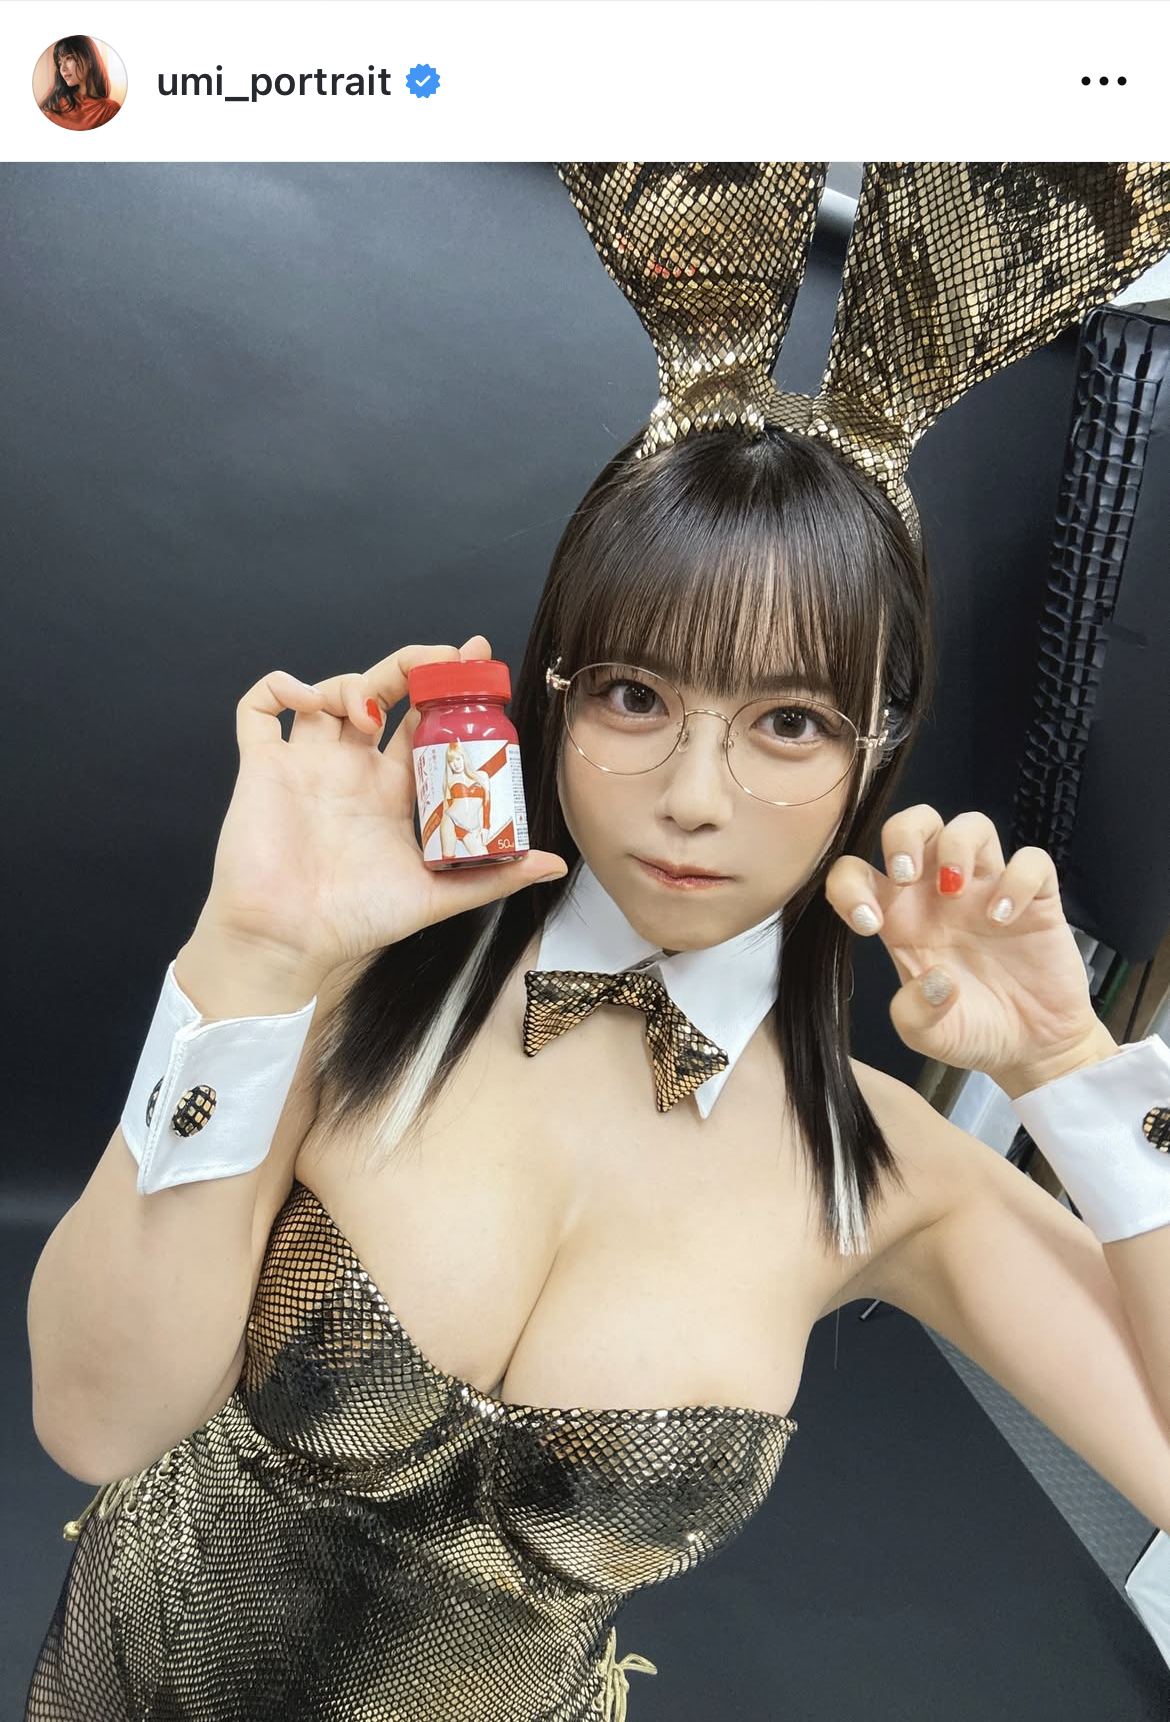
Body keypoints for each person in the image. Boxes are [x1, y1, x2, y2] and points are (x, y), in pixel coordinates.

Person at [23, 164, 1170, 1721]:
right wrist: (252, 955)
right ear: (551, 690)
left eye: (786, 720)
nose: (693, 793)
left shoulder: (884, 1168)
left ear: (875, 747)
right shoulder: (363, 984)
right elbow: (93, 1419)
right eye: (636, 695)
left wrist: (1070, 1069)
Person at [39, 37, 121, 132]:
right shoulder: (56, 95)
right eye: (59, 63)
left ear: (90, 59)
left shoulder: (110, 110)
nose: (62, 69)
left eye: (68, 58)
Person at [439, 741, 492, 859]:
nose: (456, 764)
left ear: (464, 757)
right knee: (448, 862)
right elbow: (446, 806)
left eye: (458, 759)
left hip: (473, 827)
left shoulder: (482, 776)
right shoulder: (449, 780)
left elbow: (487, 802)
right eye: (451, 761)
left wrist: (486, 827)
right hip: (450, 822)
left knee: (484, 858)